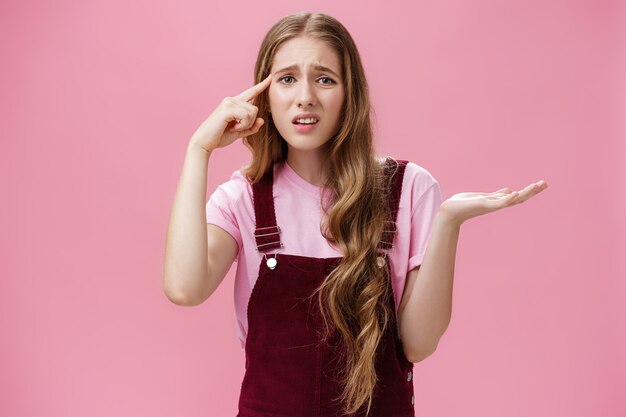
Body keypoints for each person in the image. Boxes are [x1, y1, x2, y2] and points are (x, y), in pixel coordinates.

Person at [163, 11, 548, 417]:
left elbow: (418, 344)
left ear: (350, 94)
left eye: (325, 79)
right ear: (264, 95)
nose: (305, 95)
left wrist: (449, 221)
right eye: (287, 78)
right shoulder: (244, 198)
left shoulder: (407, 188)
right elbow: (185, 288)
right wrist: (198, 150)